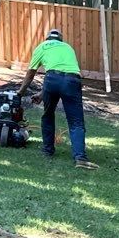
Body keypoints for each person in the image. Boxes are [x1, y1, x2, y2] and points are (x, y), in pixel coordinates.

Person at [19, 28, 96, 169]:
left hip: (52, 80)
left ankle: (47, 150)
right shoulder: (68, 48)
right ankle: (80, 158)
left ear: (47, 38)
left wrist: (20, 93)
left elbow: (31, 74)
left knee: (48, 115)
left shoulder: (41, 47)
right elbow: (65, 72)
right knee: (76, 122)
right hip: (72, 81)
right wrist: (42, 94)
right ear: (60, 39)